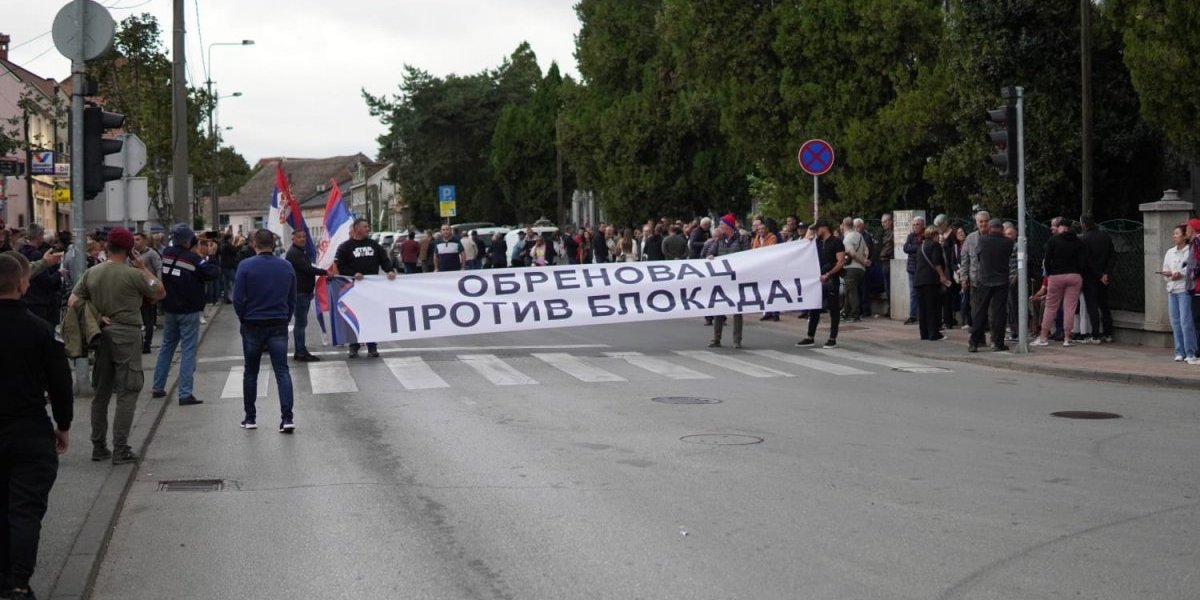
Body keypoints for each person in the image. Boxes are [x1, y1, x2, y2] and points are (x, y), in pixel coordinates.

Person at [0, 252, 73, 600]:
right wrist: (63, 424)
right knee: (25, 511)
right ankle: (18, 584)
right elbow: (60, 382)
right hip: (29, 430)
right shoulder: (40, 329)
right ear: (22, 284)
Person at [68, 227, 165, 464]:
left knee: (101, 392)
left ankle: (98, 446)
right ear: (130, 250)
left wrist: (97, 316)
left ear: (107, 247)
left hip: (101, 334)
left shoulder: (92, 273)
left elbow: (73, 300)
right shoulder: (133, 274)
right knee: (128, 391)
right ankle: (121, 448)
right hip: (127, 334)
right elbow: (159, 291)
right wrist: (142, 267)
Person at [233, 229, 298, 432]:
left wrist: (243, 317)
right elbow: (292, 297)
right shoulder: (286, 266)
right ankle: (287, 417)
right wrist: (286, 317)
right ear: (273, 244)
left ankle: (250, 417)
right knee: (282, 371)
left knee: (251, 372)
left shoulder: (245, 266)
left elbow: (237, 298)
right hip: (278, 322)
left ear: (254, 243)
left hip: (252, 323)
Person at [152, 224, 219, 406]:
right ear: (188, 240)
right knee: (188, 350)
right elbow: (212, 273)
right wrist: (211, 256)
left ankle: (158, 387)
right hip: (189, 309)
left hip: (170, 307)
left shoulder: (167, 254)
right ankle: (185, 393)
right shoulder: (192, 259)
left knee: (167, 347)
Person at [335, 218, 396, 358]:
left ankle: (372, 346)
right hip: (353, 288)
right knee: (354, 317)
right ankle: (354, 345)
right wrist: (353, 273)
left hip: (371, 288)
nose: (368, 229)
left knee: (371, 315)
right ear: (357, 229)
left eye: (368, 226)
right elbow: (341, 266)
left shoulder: (374, 245)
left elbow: (384, 260)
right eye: (365, 226)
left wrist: (390, 271)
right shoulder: (345, 247)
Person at [1033, 217, 1085, 347]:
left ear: (1062, 227)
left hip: (1056, 276)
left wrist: (1050, 274)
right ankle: (1067, 338)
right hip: (1074, 276)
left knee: (1051, 307)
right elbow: (1083, 262)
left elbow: (1047, 260)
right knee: (1070, 308)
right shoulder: (1078, 242)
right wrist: (1078, 273)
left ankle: (1043, 337)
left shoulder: (1054, 240)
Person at [796, 219, 844, 348]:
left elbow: (840, 262)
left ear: (824, 228)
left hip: (831, 279)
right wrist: (811, 231)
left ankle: (832, 338)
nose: (816, 231)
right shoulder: (817, 242)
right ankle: (810, 336)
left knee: (833, 310)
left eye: (817, 229)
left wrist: (829, 274)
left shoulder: (836, 242)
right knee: (814, 308)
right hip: (818, 280)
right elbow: (804, 244)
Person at [969, 219, 1015, 352]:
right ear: (1002, 229)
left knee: (980, 311)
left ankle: (974, 342)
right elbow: (1008, 255)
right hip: (1002, 280)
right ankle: (998, 343)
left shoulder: (983, 240)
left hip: (985, 279)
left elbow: (978, 256)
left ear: (989, 228)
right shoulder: (1008, 242)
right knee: (1000, 312)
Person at [285, 230, 327, 362]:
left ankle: (300, 350)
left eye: (304, 237)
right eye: (299, 237)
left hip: (304, 292)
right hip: (299, 293)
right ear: (293, 239)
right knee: (301, 324)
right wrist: (325, 272)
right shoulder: (294, 253)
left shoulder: (301, 252)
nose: (302, 239)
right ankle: (300, 352)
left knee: (301, 323)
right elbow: (308, 269)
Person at [705, 214, 747, 349]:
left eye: (722, 224)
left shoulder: (742, 239)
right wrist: (710, 256)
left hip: (736, 278)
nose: (720, 227)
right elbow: (710, 252)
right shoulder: (719, 240)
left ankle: (737, 340)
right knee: (719, 308)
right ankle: (716, 338)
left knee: (737, 310)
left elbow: (747, 256)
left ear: (729, 226)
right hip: (722, 279)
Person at [1161, 224, 1198, 364]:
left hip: (1184, 290)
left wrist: (1180, 274)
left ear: (1184, 236)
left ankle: (1190, 352)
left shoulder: (1190, 251)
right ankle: (1179, 351)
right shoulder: (1170, 252)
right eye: (1173, 233)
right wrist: (1169, 275)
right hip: (1172, 290)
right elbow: (1165, 269)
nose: (1174, 236)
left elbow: (1191, 269)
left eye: (1177, 233)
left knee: (1186, 322)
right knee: (1175, 322)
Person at [1078, 214, 1115, 343]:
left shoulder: (1084, 239)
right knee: (1104, 304)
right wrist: (1106, 273)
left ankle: (1095, 334)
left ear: (1084, 224)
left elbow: (1087, 261)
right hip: (1104, 277)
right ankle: (1108, 333)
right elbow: (1112, 257)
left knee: (1092, 305)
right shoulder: (1106, 237)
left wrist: (1099, 274)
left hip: (1090, 277)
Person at [913, 226, 950, 342]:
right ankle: (934, 333)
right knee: (932, 307)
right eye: (938, 234)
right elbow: (936, 262)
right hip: (930, 280)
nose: (939, 237)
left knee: (923, 308)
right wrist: (942, 276)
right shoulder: (935, 245)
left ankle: (924, 333)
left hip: (919, 280)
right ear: (934, 235)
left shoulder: (921, 246)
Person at [133, 232, 162, 354]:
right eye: (134, 239)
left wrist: (158, 287)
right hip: (135, 291)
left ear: (144, 241)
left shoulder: (151, 254)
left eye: (138, 239)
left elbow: (159, 269)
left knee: (148, 320)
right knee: (136, 320)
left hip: (148, 290)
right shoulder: (131, 254)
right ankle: (138, 343)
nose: (135, 242)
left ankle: (147, 343)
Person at [841, 218, 868, 323]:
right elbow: (866, 249)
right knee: (849, 291)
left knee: (852, 292)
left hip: (851, 268)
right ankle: (846, 313)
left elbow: (852, 254)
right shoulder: (859, 235)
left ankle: (855, 315)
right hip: (861, 270)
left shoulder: (847, 238)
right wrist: (865, 259)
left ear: (844, 225)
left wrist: (862, 261)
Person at [902, 216, 925, 325]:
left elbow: (924, 249)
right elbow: (905, 248)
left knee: (923, 293)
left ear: (922, 225)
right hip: (912, 268)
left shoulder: (926, 235)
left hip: (923, 268)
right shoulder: (910, 236)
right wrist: (918, 247)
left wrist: (914, 247)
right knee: (913, 293)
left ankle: (923, 315)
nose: (915, 226)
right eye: (914, 225)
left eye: (917, 224)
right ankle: (912, 316)